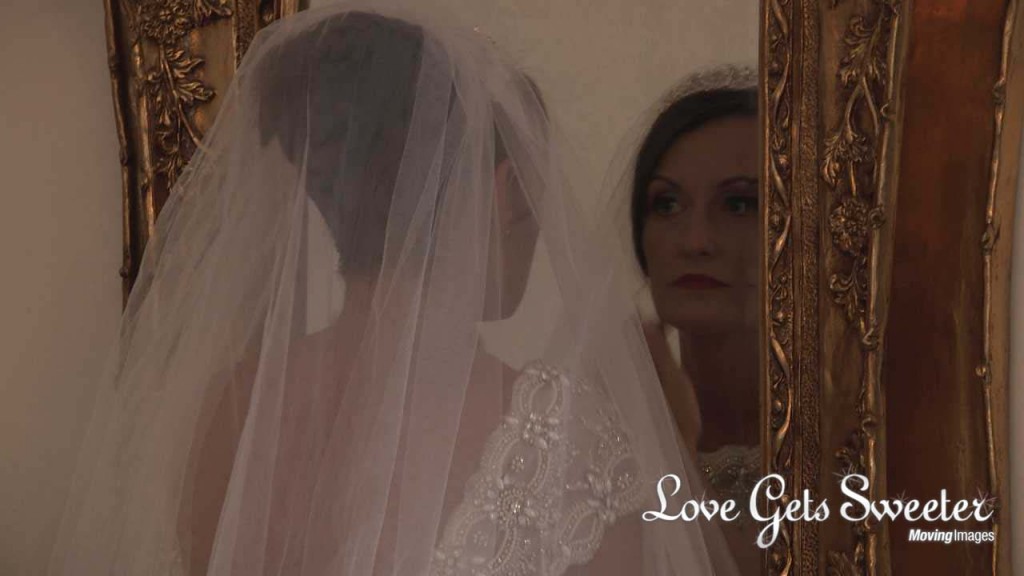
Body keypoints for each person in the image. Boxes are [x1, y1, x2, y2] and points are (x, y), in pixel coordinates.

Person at [46, 5, 737, 575]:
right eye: (534, 196)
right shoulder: (567, 437)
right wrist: (668, 432)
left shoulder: (227, 412)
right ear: (496, 196)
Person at [627, 66, 761, 573]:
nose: (695, 240)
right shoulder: (594, 432)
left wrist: (672, 444)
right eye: (667, 204)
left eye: (738, 203)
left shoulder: (859, 446)